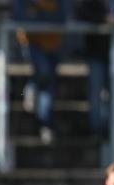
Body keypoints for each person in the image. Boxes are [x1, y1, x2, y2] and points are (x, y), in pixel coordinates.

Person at [13, 0, 71, 144]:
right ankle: (29, 92)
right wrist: (44, 17)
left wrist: (38, 14)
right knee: (43, 73)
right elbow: (21, 17)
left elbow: (61, 18)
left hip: (54, 44)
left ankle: (46, 125)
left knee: (48, 86)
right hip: (31, 42)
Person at [76, 0, 114, 136]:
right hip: (96, 52)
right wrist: (104, 19)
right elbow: (82, 13)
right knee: (96, 92)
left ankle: (113, 130)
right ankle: (97, 131)